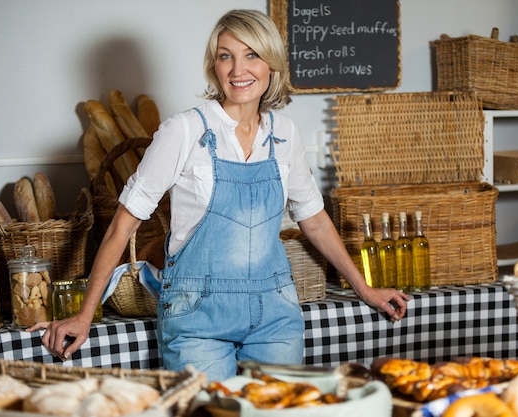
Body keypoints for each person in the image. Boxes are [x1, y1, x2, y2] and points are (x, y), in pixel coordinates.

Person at [28, 9, 409, 382]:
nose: (238, 70)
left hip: (275, 313)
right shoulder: (183, 130)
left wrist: (366, 289)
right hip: (197, 318)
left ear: (271, 65)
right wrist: (83, 315)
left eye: (251, 55)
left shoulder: (285, 134)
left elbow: (315, 220)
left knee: (281, 414)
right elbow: (120, 229)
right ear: (214, 66)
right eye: (226, 56)